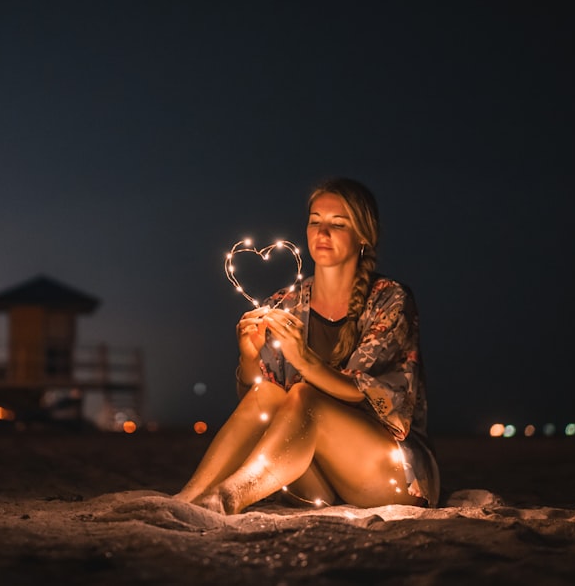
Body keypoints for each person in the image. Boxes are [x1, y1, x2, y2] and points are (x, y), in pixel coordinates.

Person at [175, 177, 439, 514]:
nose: (322, 233)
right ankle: (188, 499)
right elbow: (260, 408)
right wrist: (249, 356)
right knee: (268, 394)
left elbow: (362, 391)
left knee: (303, 395)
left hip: (388, 470)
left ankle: (228, 498)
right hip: (315, 481)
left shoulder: (390, 299)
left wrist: (304, 359)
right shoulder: (286, 303)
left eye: (337, 224)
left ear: (363, 236)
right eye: (315, 221)